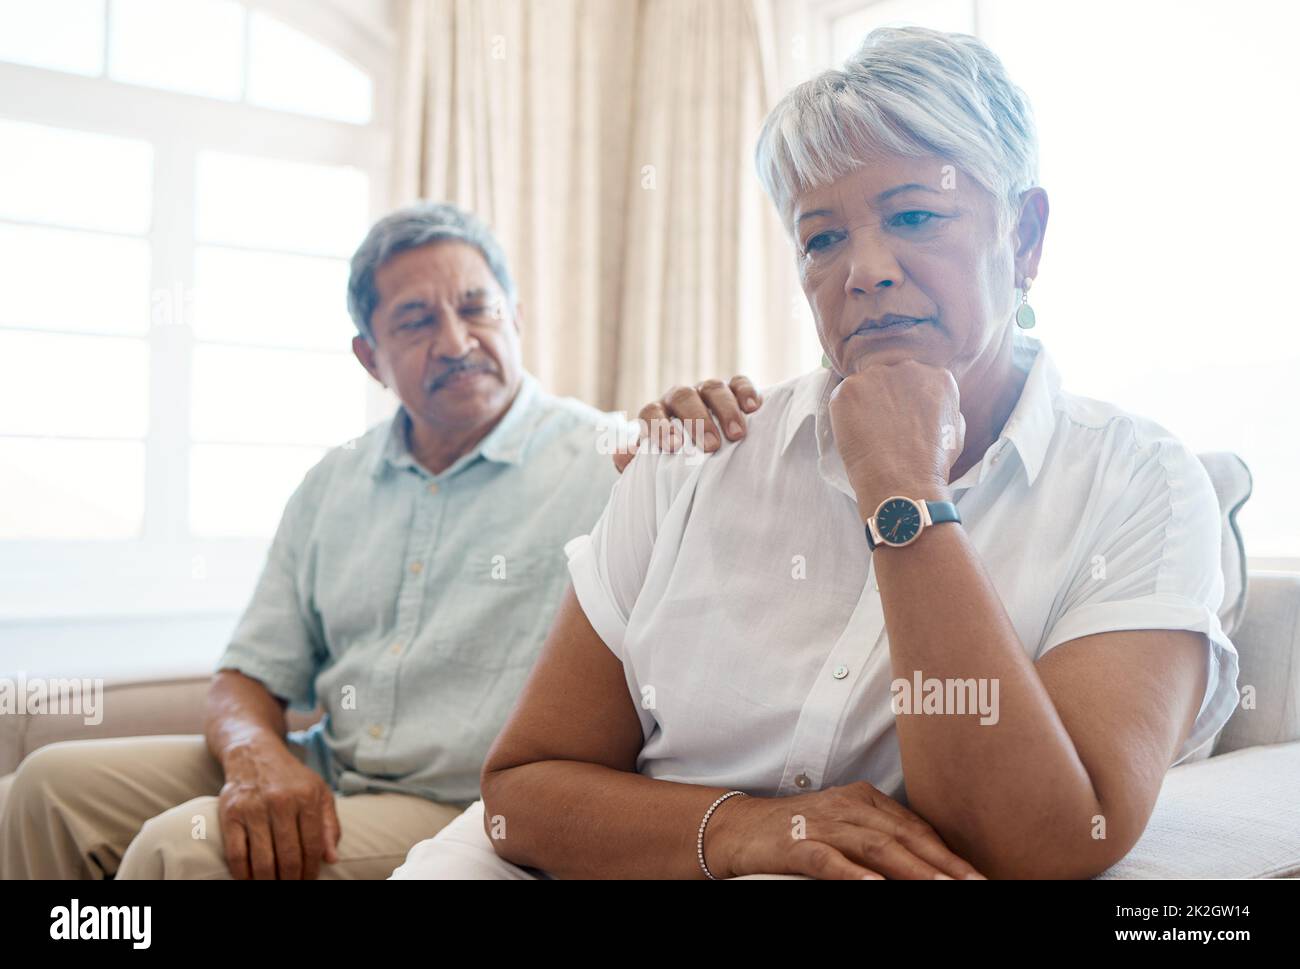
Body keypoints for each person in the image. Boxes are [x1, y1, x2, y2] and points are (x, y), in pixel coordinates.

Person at [392, 26, 1240, 880]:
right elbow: (519, 791)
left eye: (914, 216)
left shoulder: (1141, 487)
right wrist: (743, 828)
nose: (864, 271)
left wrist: (904, 493)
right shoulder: (698, 454)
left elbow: (1050, 840)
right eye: (821, 239)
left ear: (1024, 236)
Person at [0, 202, 761, 880]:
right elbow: (247, 675)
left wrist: (705, 437)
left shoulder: (615, 460)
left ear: (517, 318)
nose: (458, 339)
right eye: (416, 321)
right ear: (370, 355)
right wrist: (258, 755)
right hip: (329, 765)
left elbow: (729, 578)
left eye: (477, 308)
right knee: (45, 786)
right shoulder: (333, 482)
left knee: (183, 848)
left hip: (466, 804)